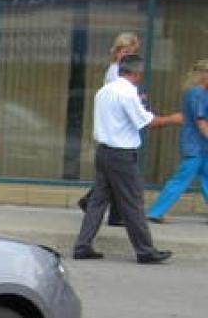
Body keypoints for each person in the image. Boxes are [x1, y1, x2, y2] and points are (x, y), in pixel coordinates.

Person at [73, 54, 182, 264]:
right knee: (132, 202)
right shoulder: (128, 93)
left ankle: (82, 246)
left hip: (103, 151)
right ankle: (145, 251)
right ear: (137, 72)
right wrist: (174, 119)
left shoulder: (104, 91)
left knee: (97, 202)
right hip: (121, 155)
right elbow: (146, 122)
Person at [78, 32, 142, 222]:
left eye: (131, 52)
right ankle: (100, 205)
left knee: (110, 178)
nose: (127, 55)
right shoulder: (116, 72)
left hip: (119, 130)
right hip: (117, 131)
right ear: (117, 52)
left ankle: (112, 213)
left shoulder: (118, 70)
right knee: (118, 177)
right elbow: (120, 96)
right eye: (124, 51)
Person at [147, 58, 208, 223]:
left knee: (206, 178)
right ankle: (155, 212)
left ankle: (156, 212)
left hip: (200, 146)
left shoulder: (199, 93)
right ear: (204, 75)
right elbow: (200, 120)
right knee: (181, 180)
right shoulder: (197, 94)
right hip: (195, 145)